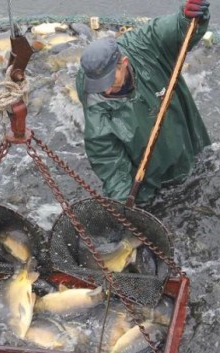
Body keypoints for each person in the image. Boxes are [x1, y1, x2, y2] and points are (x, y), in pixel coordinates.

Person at [76, 0, 212, 207]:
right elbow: (108, 158)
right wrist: (126, 206)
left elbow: (171, 29)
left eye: (110, 81)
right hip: (143, 161)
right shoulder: (96, 100)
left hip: (178, 132)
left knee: (198, 173)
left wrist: (186, 17)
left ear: (124, 63)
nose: (105, 90)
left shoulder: (141, 46)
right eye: (99, 85)